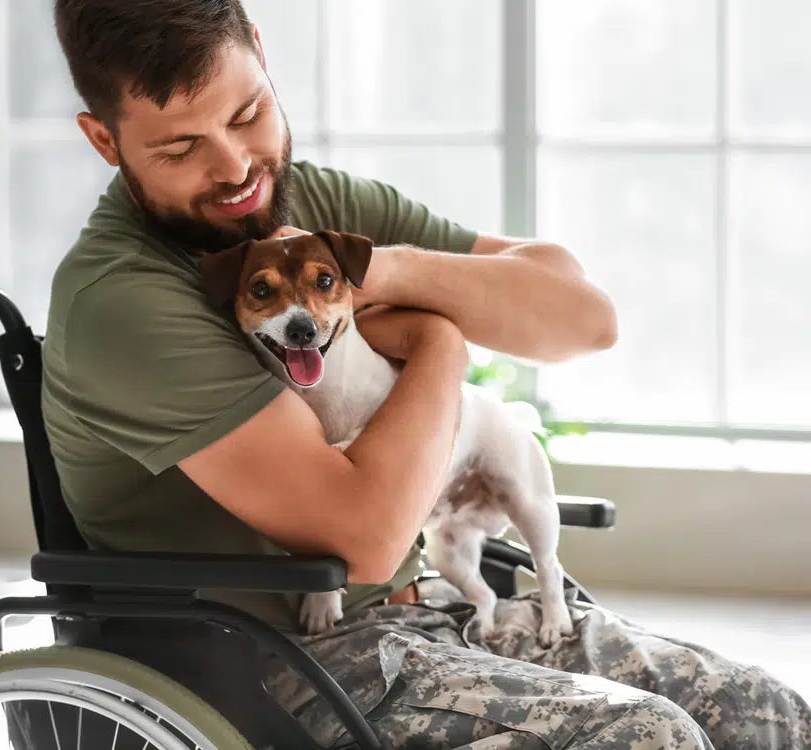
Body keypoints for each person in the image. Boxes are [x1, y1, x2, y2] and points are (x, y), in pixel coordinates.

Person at [41, 1, 811, 748]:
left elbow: (583, 319)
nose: (237, 167)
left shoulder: (309, 202)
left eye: (247, 115)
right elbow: (368, 541)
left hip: (435, 607)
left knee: (773, 715)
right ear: (104, 141)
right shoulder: (124, 301)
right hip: (282, 664)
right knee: (648, 737)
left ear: (265, 59)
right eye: (180, 150)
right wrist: (440, 341)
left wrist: (388, 270)